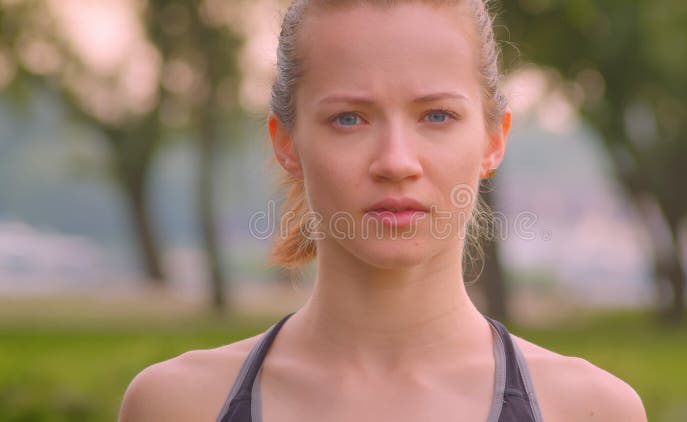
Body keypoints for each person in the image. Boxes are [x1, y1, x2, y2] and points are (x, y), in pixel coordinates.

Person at [119, 1, 647, 421]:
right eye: (350, 118)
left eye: (436, 115)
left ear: (492, 140)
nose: (396, 162)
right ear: (285, 142)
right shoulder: (175, 407)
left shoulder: (591, 411)